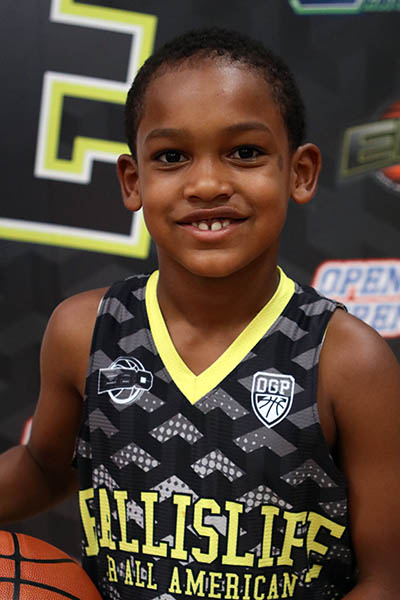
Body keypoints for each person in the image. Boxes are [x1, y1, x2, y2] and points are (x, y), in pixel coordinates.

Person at [1, 27, 400, 600]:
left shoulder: (347, 360)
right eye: (172, 157)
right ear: (133, 181)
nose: (208, 184)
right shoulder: (85, 331)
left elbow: (386, 579)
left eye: (245, 152)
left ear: (301, 172)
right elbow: (43, 469)